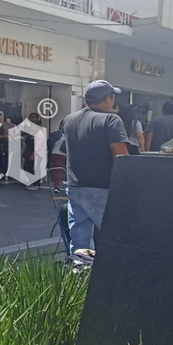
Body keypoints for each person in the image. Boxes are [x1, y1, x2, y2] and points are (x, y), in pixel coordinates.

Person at [62, 80, 129, 254]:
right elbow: (122, 158)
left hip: (75, 187)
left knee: (80, 240)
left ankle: (79, 268)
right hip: (101, 188)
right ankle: (113, 269)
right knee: (114, 237)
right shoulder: (111, 120)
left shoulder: (69, 120)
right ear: (108, 99)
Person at [23, 112, 43, 191]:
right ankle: (30, 182)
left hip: (36, 154)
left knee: (34, 169)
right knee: (27, 168)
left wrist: (33, 155)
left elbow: (38, 146)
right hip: (29, 152)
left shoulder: (39, 134)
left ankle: (35, 184)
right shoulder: (30, 133)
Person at [47, 121, 67, 194]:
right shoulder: (70, 134)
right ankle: (69, 185)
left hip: (55, 153)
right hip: (67, 154)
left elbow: (50, 143)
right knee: (70, 170)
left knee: (57, 170)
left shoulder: (55, 134)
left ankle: (56, 186)